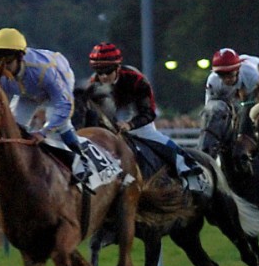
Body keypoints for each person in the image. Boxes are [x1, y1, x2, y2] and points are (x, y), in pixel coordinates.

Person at [0, 28, 105, 187]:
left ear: (20, 57)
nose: (2, 67)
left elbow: (64, 106)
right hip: (28, 91)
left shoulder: (44, 71)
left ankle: (82, 161)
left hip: (58, 79)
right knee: (15, 123)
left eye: (7, 62)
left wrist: (43, 132)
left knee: (59, 123)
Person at [86, 42, 205, 190]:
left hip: (139, 126)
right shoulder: (93, 84)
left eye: (108, 71)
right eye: (99, 72)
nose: (103, 77)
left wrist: (130, 125)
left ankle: (189, 170)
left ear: (118, 67)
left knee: (161, 142)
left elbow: (149, 113)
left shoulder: (135, 79)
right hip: (111, 128)